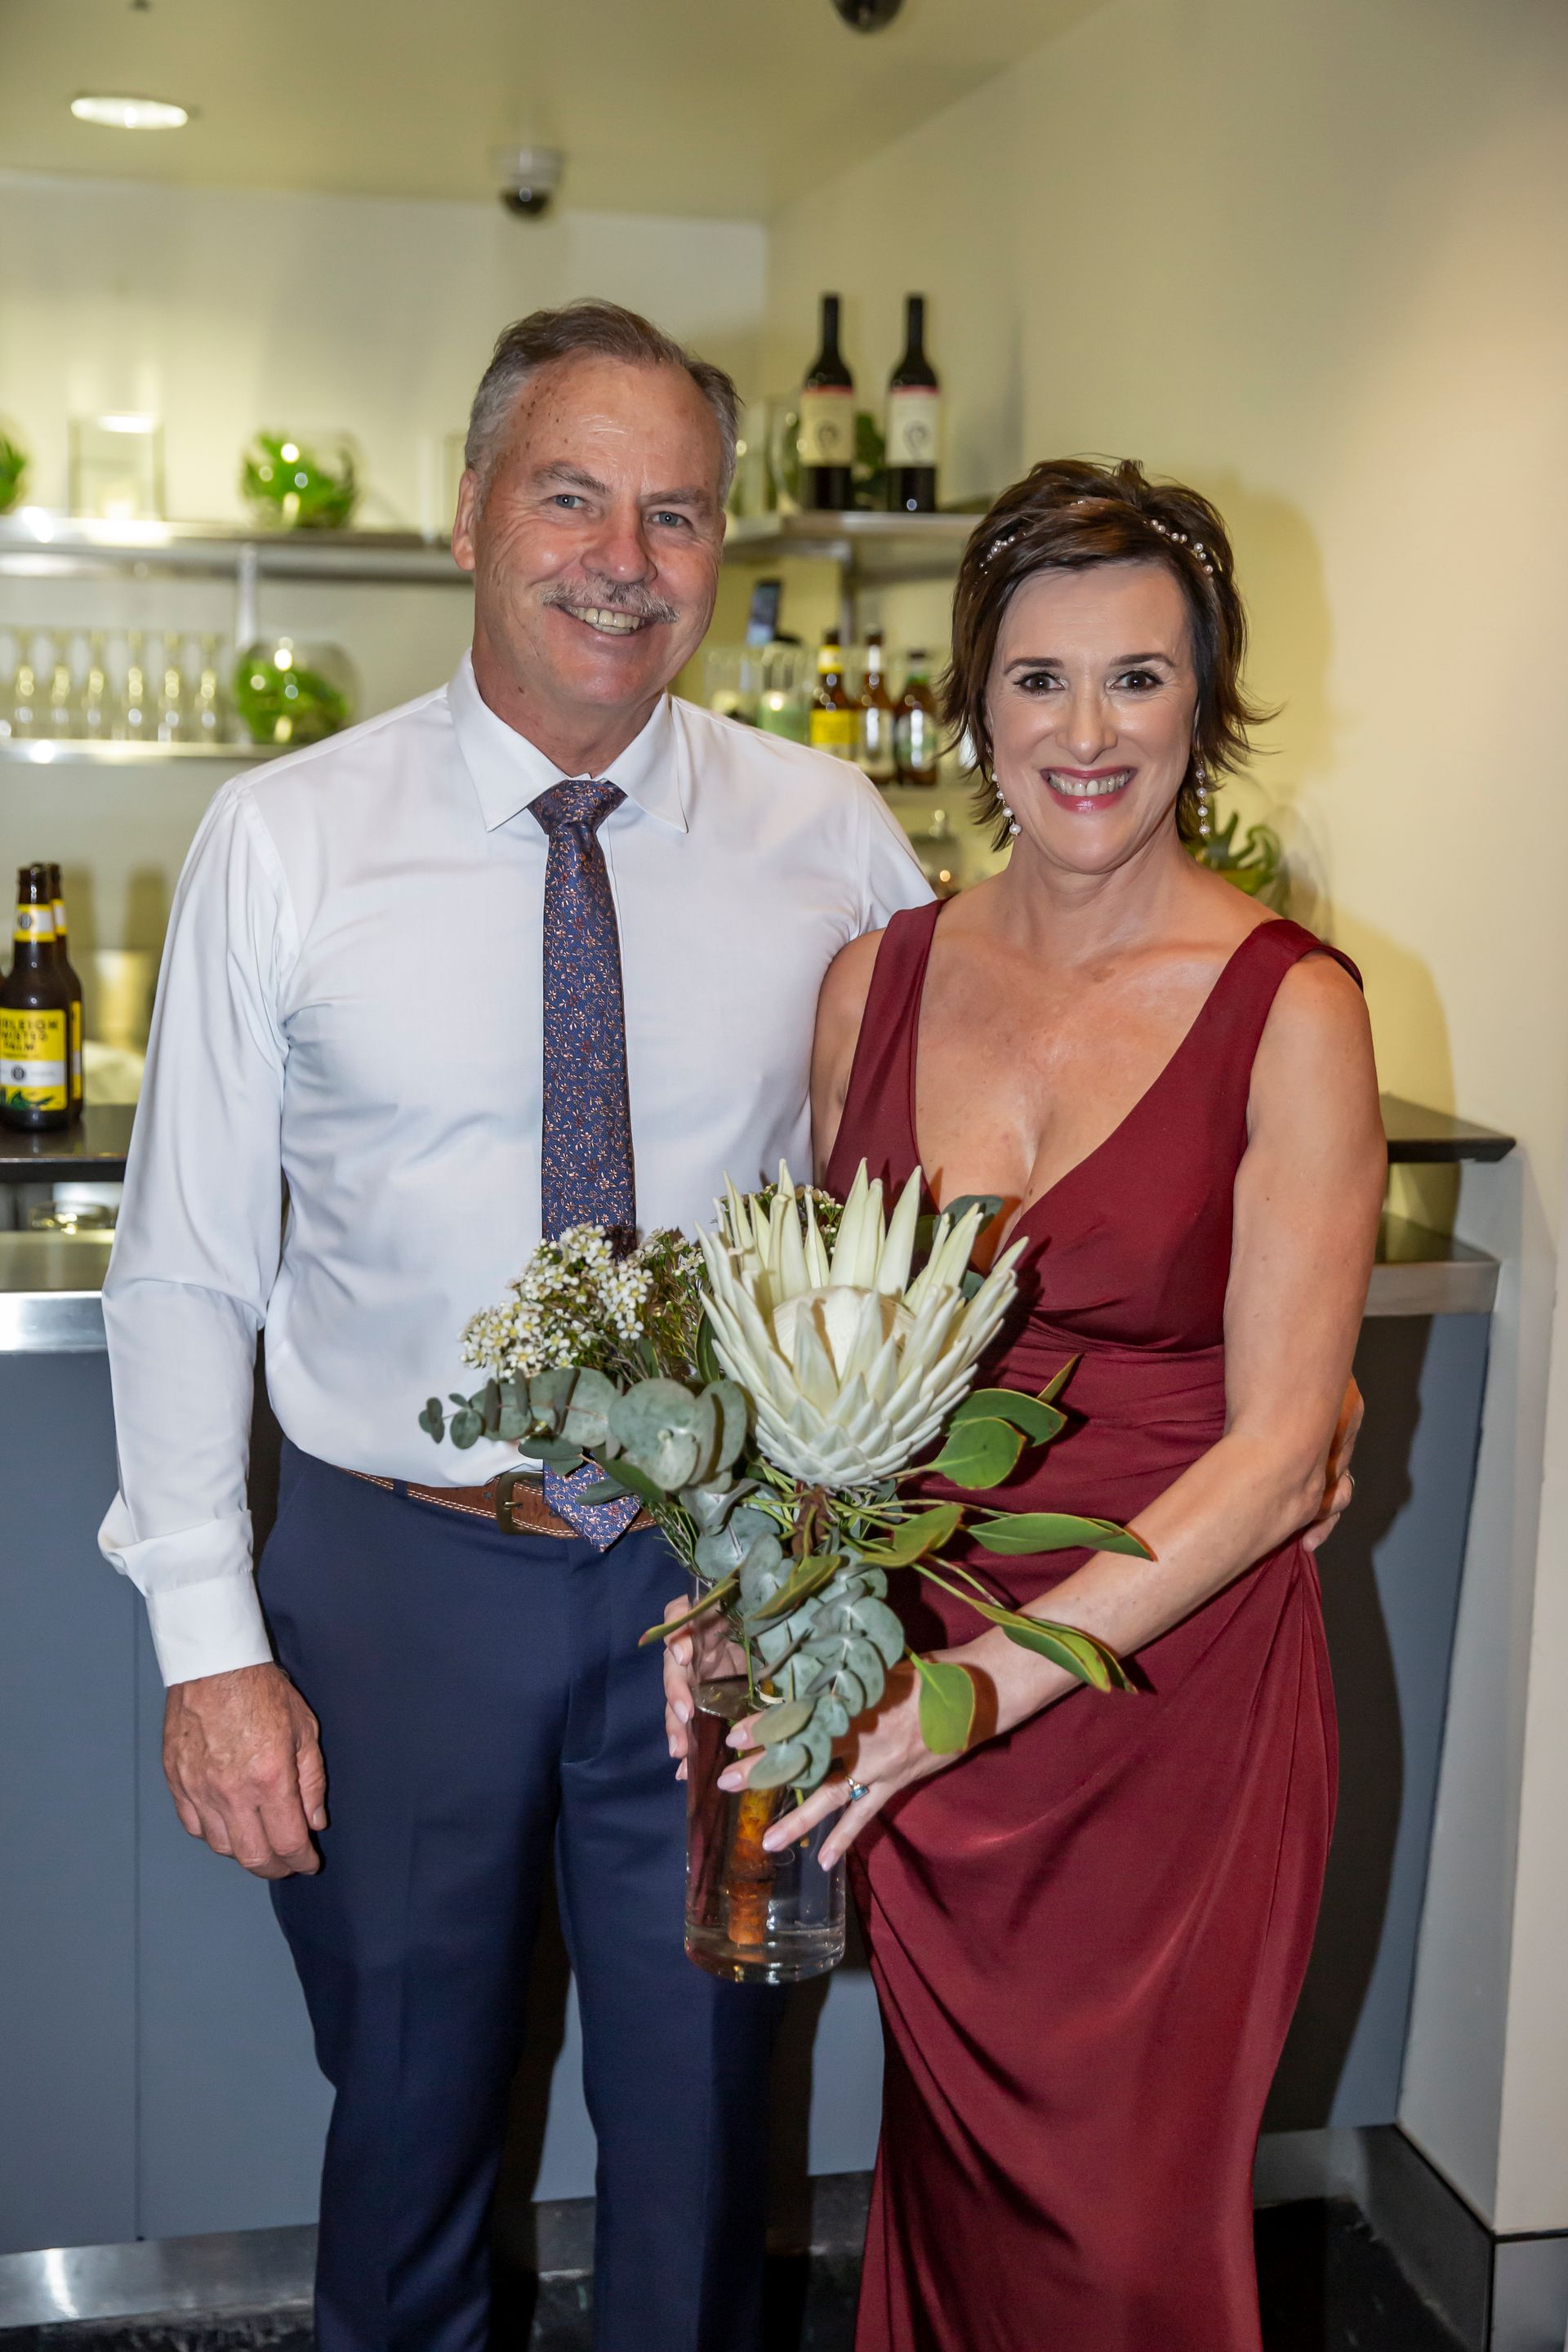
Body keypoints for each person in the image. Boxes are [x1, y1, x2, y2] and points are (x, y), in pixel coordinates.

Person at [97, 299, 931, 2352]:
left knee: (707, 2129)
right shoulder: (287, 840)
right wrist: (211, 1651)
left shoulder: (831, 842)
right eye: (572, 497)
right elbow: (187, 1265)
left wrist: (835, 1558)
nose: (622, 561)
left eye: (677, 514)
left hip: (716, 1590)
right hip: (395, 1583)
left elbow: (919, 1203)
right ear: (471, 514)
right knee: (405, 2128)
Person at [670, 458, 1383, 2351]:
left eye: (1138, 678)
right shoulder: (874, 984)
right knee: (960, 2194)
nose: (1087, 733)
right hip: (915, 1694)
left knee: (1130, 2241)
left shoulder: (1294, 1008)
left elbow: (1280, 1454)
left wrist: (974, 1692)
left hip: (1164, 1708)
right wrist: (760, 1597)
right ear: (974, 704)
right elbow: (821, 1361)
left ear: (1203, 706)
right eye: (1040, 679)